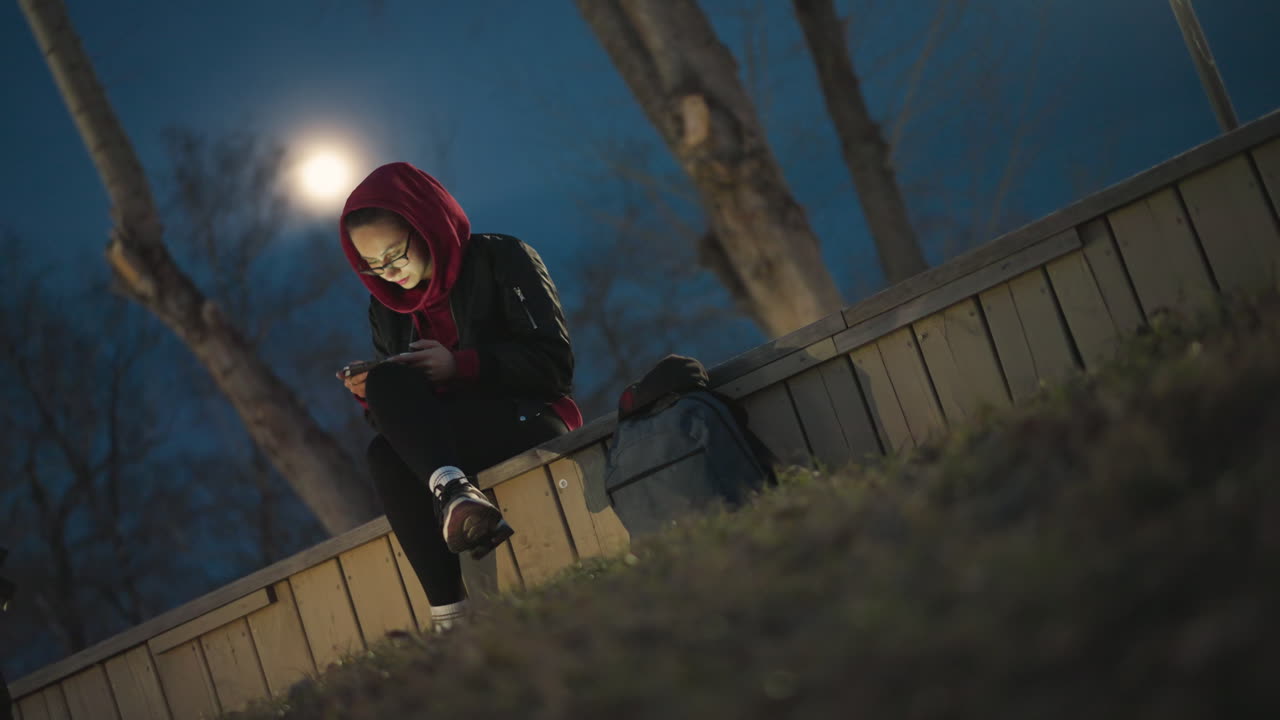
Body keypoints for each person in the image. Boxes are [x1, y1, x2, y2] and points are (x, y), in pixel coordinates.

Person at [335, 162, 582, 629]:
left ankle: (452, 491)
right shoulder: (386, 308)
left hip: (525, 415)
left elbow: (554, 366)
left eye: (396, 254)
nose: (390, 273)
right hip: (450, 444)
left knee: (393, 432)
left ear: (426, 225)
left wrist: (459, 364)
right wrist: (373, 396)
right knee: (384, 450)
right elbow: (401, 428)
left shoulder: (500, 258)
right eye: (374, 265)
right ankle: (451, 613)